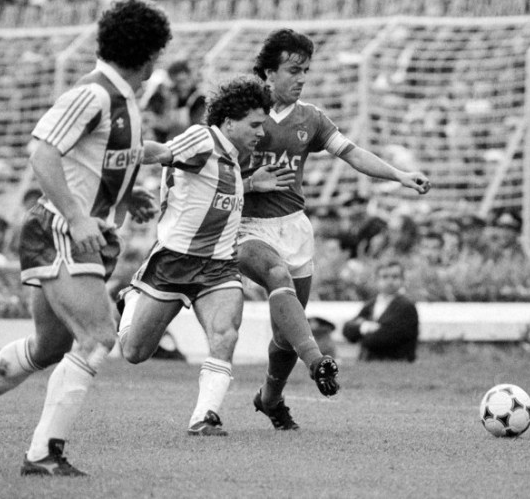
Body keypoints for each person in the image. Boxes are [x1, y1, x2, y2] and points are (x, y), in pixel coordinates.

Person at [0, 0, 172, 477]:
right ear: (150, 53)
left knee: (50, 347)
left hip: (79, 231)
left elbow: (95, 158)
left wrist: (127, 195)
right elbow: (43, 153)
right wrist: (78, 217)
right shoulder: (93, 94)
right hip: (63, 230)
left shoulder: (121, 99)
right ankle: (44, 454)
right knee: (99, 335)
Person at [239, 28, 431, 431]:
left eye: (305, 71)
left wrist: (399, 175)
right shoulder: (242, 113)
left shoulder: (310, 118)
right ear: (269, 72)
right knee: (277, 276)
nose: (301, 79)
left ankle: (270, 398)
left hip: (294, 227)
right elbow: (212, 171)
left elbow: (352, 153)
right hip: (248, 226)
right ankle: (317, 361)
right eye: (293, 70)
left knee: (286, 332)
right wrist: (249, 183)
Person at [117, 76, 277, 436]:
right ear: (229, 122)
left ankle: (204, 417)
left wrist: (250, 184)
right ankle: (130, 300)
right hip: (174, 261)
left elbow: (209, 193)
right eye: (254, 124)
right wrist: (119, 155)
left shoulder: (232, 159)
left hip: (219, 266)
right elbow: (160, 153)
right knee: (134, 352)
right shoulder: (203, 139)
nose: (261, 132)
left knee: (225, 335)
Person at [342, 260, 419, 361]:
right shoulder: (371, 304)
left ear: (402, 280)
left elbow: (385, 338)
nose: (390, 281)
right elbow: (348, 330)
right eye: (385, 277)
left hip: (395, 364)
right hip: (368, 364)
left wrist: (362, 330)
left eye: (395, 277)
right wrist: (365, 327)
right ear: (376, 280)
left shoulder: (406, 306)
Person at [144, 59, 206, 143]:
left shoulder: (198, 99)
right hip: (172, 142)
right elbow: (166, 123)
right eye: (178, 82)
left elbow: (200, 129)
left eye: (184, 81)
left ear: (189, 77)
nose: (182, 86)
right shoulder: (172, 98)